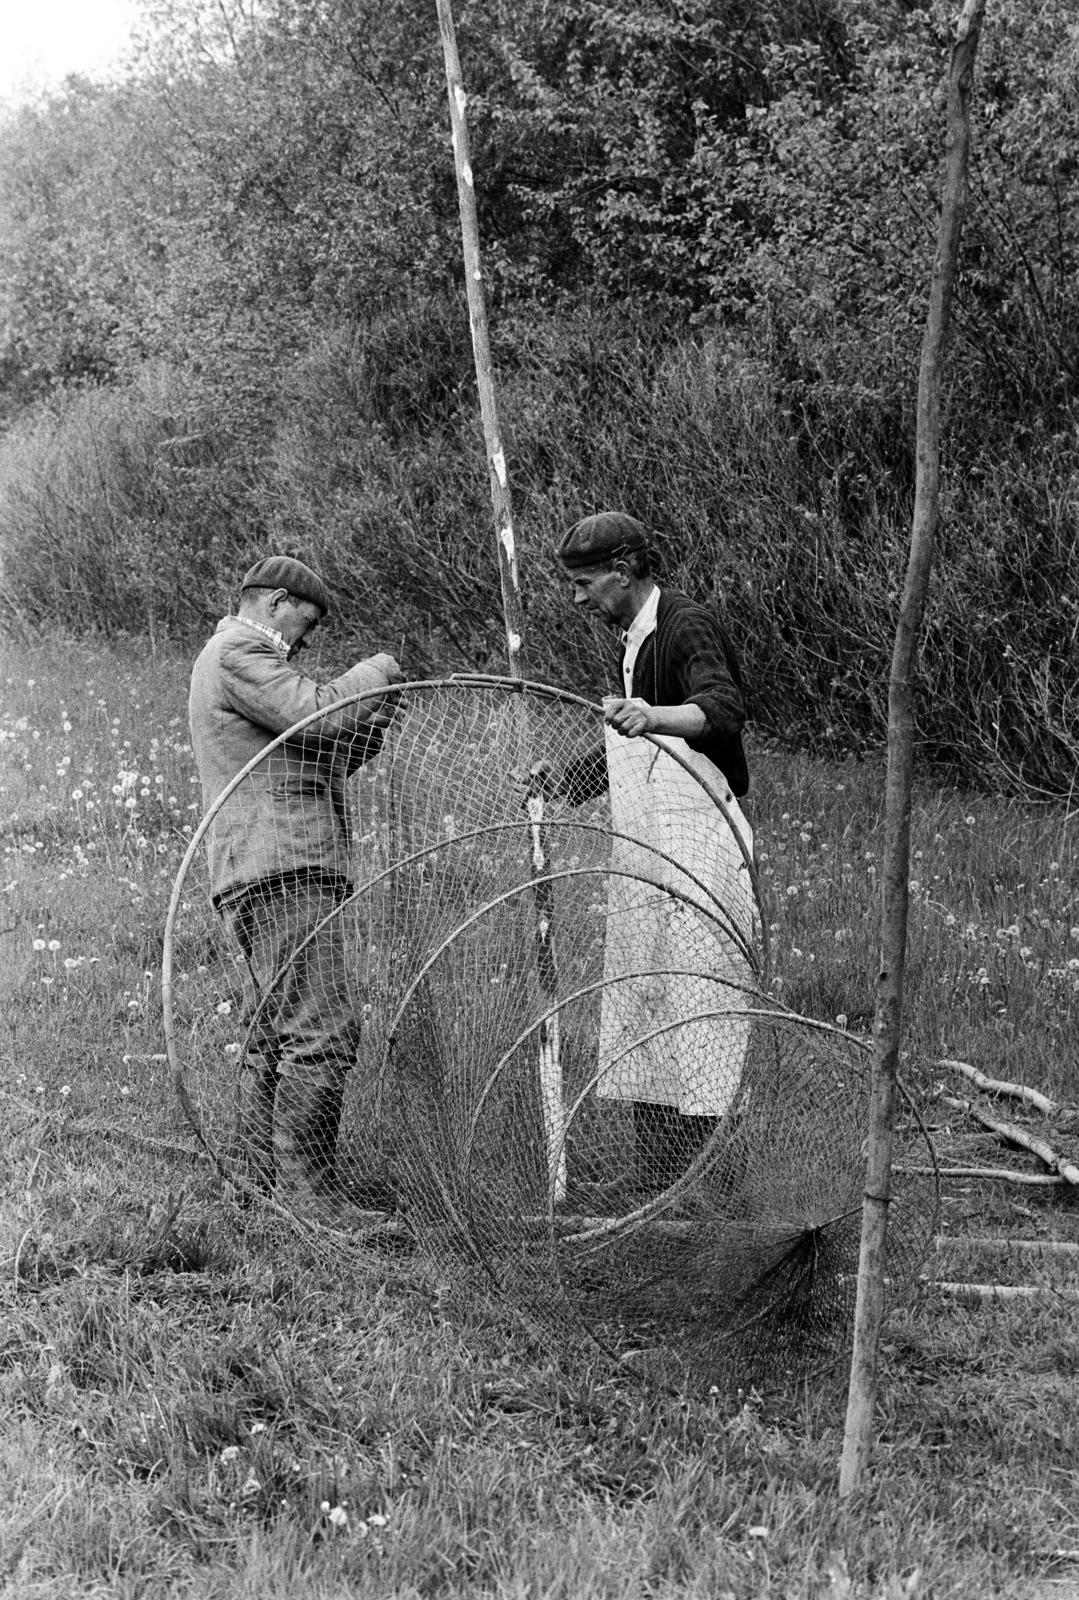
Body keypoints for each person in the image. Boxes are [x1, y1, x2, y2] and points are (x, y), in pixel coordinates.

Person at [188, 554, 402, 1227]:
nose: (303, 643)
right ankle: (312, 1201)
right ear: (275, 602)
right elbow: (316, 713)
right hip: (283, 866)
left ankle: (256, 1187)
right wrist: (377, 673)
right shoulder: (238, 649)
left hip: (266, 865)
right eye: (304, 627)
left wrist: (373, 715)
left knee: (273, 1034)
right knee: (322, 1031)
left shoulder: (243, 662)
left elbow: (330, 749)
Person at [554, 511, 756, 1193]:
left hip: (701, 840)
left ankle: (703, 1185)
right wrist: (563, 782)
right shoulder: (632, 641)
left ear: (625, 569)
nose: (578, 598)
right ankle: (654, 1182)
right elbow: (634, 746)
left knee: (699, 1005)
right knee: (645, 1002)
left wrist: (654, 717)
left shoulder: (684, 624)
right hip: (650, 843)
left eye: (585, 583)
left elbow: (720, 709)